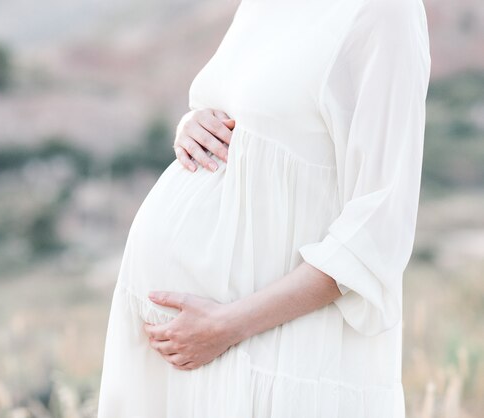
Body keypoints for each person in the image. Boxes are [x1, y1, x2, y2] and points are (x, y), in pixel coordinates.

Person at [96, 0, 432, 416]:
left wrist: (228, 325)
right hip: (189, 356)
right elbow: (247, 113)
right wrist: (192, 125)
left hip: (269, 352)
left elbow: (378, 230)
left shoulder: (385, 13)